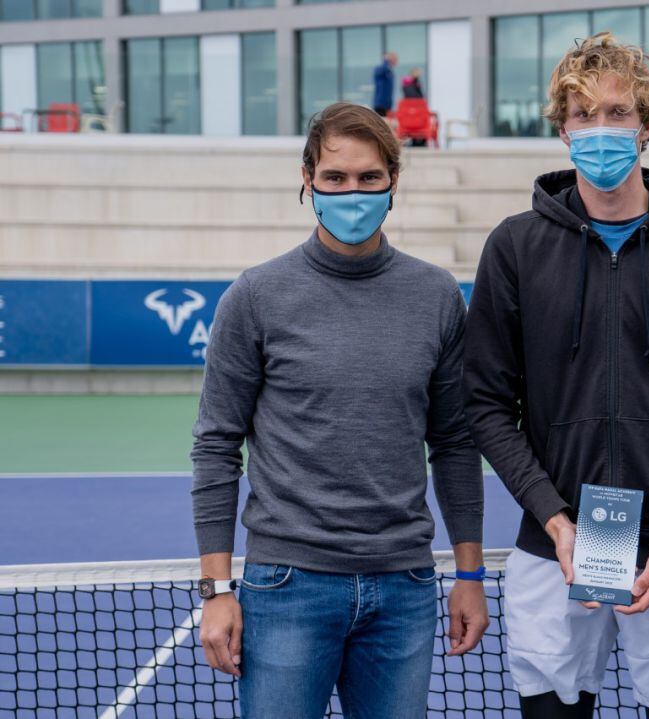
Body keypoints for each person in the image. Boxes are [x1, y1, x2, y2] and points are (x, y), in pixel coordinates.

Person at [463, 33, 649, 718]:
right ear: (562, 128)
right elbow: (484, 403)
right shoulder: (514, 246)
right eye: (583, 114)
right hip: (554, 547)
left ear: (648, 125)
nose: (601, 130)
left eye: (617, 113)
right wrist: (554, 517)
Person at [191, 101, 488, 719]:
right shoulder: (255, 296)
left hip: (404, 588)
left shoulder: (436, 295)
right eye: (335, 178)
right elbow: (217, 446)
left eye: (368, 178)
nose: (352, 191)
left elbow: (455, 443)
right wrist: (218, 589)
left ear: (393, 183)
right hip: (286, 586)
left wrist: (470, 575)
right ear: (308, 180)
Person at [373, 52, 398, 116]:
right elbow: (379, 71)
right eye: (395, 59)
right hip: (380, 103)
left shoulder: (390, 71)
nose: (397, 61)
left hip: (387, 103)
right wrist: (386, 61)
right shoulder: (381, 69)